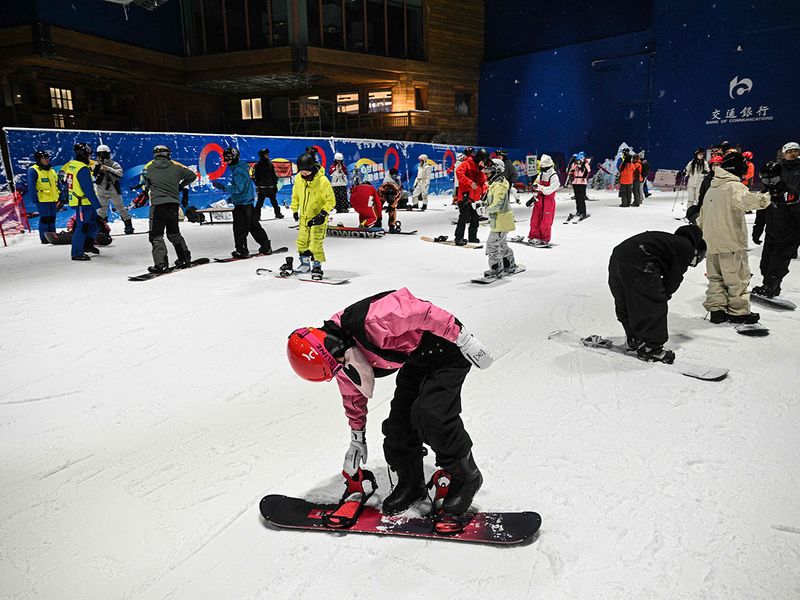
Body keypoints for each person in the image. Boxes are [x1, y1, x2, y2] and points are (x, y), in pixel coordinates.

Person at [286, 288, 493, 516]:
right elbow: (352, 392)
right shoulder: (341, 356)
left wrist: (463, 339)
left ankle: (467, 477)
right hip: (417, 357)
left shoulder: (375, 319)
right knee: (398, 426)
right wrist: (357, 437)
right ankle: (411, 483)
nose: (341, 367)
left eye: (338, 362)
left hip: (448, 348)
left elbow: (423, 311)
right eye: (336, 368)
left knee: (432, 415)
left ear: (331, 343)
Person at [608, 225, 707, 363]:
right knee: (653, 304)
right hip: (641, 262)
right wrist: (663, 295)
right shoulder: (686, 247)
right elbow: (673, 279)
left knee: (625, 300)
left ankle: (634, 339)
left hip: (618, 258)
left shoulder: (670, 241)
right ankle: (651, 349)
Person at [697, 152, 772, 324]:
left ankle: (717, 310)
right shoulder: (734, 187)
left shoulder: (713, 187)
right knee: (737, 279)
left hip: (710, 242)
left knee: (715, 278)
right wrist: (769, 195)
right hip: (730, 242)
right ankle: (739, 312)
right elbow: (753, 202)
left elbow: (702, 215)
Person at [752, 144, 800, 298]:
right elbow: (761, 212)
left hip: (789, 233)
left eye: (772, 178)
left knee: (778, 262)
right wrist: (757, 230)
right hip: (772, 231)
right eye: (765, 179)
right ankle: (770, 285)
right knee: (765, 263)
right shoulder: (766, 192)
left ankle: (771, 286)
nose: (769, 181)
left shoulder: (791, 194)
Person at [141, 144, 196, 272]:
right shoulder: (176, 168)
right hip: (173, 205)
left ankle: (161, 263)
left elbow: (146, 184)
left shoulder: (149, 169)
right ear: (168, 154)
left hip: (158, 205)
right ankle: (184, 258)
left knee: (156, 235)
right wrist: (181, 186)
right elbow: (192, 176)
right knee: (174, 233)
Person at [212, 147, 272, 258]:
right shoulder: (241, 168)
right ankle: (265, 246)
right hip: (247, 202)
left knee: (239, 228)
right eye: (226, 158)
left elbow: (238, 188)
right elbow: (244, 187)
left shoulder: (237, 171)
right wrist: (233, 198)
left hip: (242, 204)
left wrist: (224, 187)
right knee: (253, 226)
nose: (227, 161)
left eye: (229, 158)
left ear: (234, 157)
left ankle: (242, 250)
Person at [287, 151, 335, 280]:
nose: (303, 174)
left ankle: (317, 266)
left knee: (315, 243)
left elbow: (331, 200)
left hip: (318, 217)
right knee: (302, 242)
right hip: (304, 217)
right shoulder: (298, 179)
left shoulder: (322, 181)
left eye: (306, 171)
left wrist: (323, 213)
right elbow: (295, 195)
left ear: (312, 168)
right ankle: (305, 264)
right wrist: (295, 210)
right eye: (301, 171)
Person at [61, 143, 102, 261]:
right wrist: (97, 205)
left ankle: (87, 245)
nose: (90, 157)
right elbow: (87, 189)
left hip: (83, 202)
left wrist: (95, 172)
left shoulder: (73, 165)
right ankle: (77, 253)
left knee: (95, 224)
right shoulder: (82, 168)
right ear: (84, 154)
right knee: (82, 227)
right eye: (89, 154)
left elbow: (82, 180)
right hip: (83, 203)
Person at [481, 158, 517, 278]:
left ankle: (496, 269)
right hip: (499, 220)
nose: (486, 175)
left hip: (501, 219)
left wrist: (485, 210)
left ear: (497, 171)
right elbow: (491, 201)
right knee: (501, 244)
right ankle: (509, 264)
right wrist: (481, 204)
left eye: (489, 172)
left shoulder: (499, 185)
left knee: (492, 245)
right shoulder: (494, 184)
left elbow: (497, 204)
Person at [93, 144, 133, 234]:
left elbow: (120, 173)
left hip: (113, 191)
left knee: (121, 209)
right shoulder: (95, 165)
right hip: (101, 191)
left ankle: (129, 226)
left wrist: (108, 169)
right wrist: (99, 168)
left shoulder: (114, 164)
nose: (101, 157)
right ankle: (102, 229)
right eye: (100, 154)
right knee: (101, 211)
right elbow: (94, 177)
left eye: (103, 154)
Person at [454, 148, 489, 245]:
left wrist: (484, 189)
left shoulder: (480, 168)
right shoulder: (466, 163)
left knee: (475, 218)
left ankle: (472, 237)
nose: (483, 162)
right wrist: (470, 183)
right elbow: (459, 173)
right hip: (465, 196)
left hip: (476, 198)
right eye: (483, 160)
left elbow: (483, 181)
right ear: (479, 158)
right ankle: (458, 237)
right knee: (463, 218)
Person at [525, 153, 559, 246]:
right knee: (535, 219)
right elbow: (536, 182)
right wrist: (535, 187)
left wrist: (540, 188)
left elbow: (551, 190)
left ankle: (544, 238)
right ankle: (534, 236)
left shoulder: (554, 176)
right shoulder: (541, 174)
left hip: (548, 201)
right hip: (539, 199)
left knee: (546, 221)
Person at [27, 150, 59, 244]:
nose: (47, 160)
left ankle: (53, 236)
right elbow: (31, 186)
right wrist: (35, 199)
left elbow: (57, 184)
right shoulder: (33, 170)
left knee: (52, 218)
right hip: (42, 200)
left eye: (47, 158)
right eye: (44, 158)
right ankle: (44, 238)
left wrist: (61, 196)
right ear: (38, 159)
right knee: (45, 219)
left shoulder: (51, 170)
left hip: (52, 199)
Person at [253, 148, 284, 219]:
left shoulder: (270, 165)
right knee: (259, 203)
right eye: (266, 154)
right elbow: (255, 177)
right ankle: (256, 216)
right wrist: (258, 186)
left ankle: (278, 213)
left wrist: (275, 185)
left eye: (267, 154)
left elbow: (274, 176)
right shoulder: (257, 166)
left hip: (271, 187)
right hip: (262, 188)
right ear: (262, 155)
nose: (268, 156)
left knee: (274, 202)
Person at [567, 152, 591, 218]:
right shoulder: (575, 165)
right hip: (575, 182)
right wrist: (574, 163)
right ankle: (578, 211)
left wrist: (584, 163)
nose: (578, 162)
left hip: (582, 182)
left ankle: (583, 211)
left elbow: (589, 170)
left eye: (579, 160)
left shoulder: (585, 164)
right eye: (577, 160)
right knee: (577, 198)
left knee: (581, 198)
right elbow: (571, 170)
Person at [379, 168, 402, 233]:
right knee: (377, 208)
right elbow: (380, 196)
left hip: (393, 192)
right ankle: (377, 222)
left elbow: (397, 197)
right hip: (384, 194)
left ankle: (392, 225)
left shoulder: (397, 191)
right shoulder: (383, 189)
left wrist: (392, 206)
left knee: (393, 209)